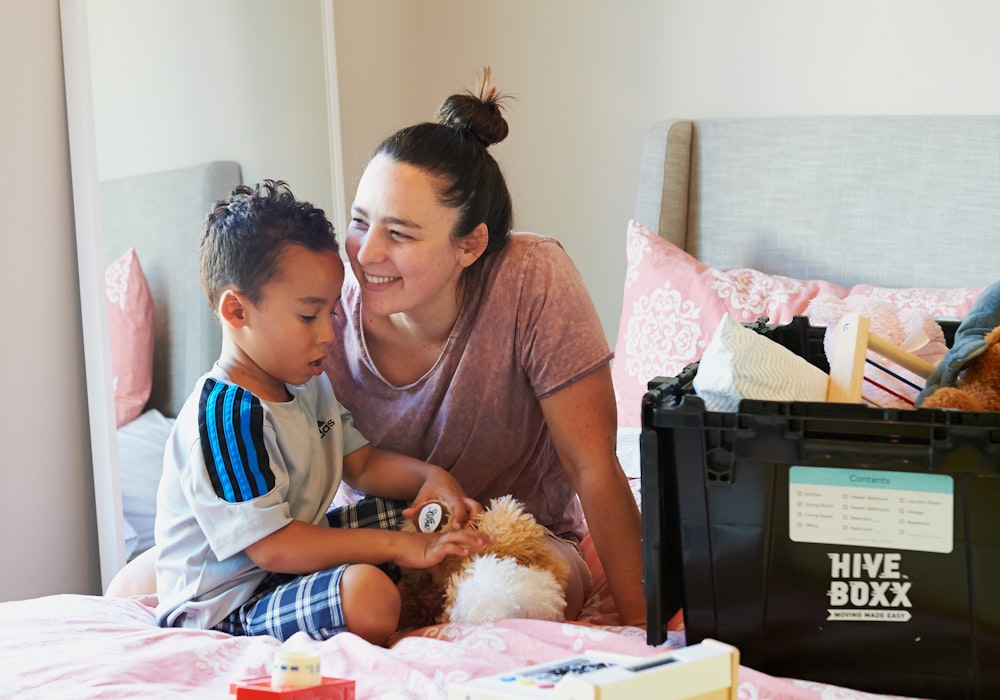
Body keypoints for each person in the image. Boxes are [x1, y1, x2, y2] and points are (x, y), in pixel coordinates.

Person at [327, 69, 646, 626]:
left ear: (470, 244)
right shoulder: (322, 306)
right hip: (376, 544)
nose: (366, 253)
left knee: (516, 599)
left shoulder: (533, 278)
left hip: (520, 542)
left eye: (399, 233)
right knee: (150, 578)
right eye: (360, 222)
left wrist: (654, 633)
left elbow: (592, 463)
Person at [150, 180, 486, 646]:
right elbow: (273, 546)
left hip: (285, 570)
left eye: (331, 313)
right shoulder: (227, 416)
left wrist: (431, 479)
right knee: (369, 591)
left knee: (416, 514)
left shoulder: (306, 384)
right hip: (230, 605)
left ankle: (434, 582)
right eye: (309, 316)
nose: (328, 334)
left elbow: (362, 464)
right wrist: (400, 547)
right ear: (237, 311)